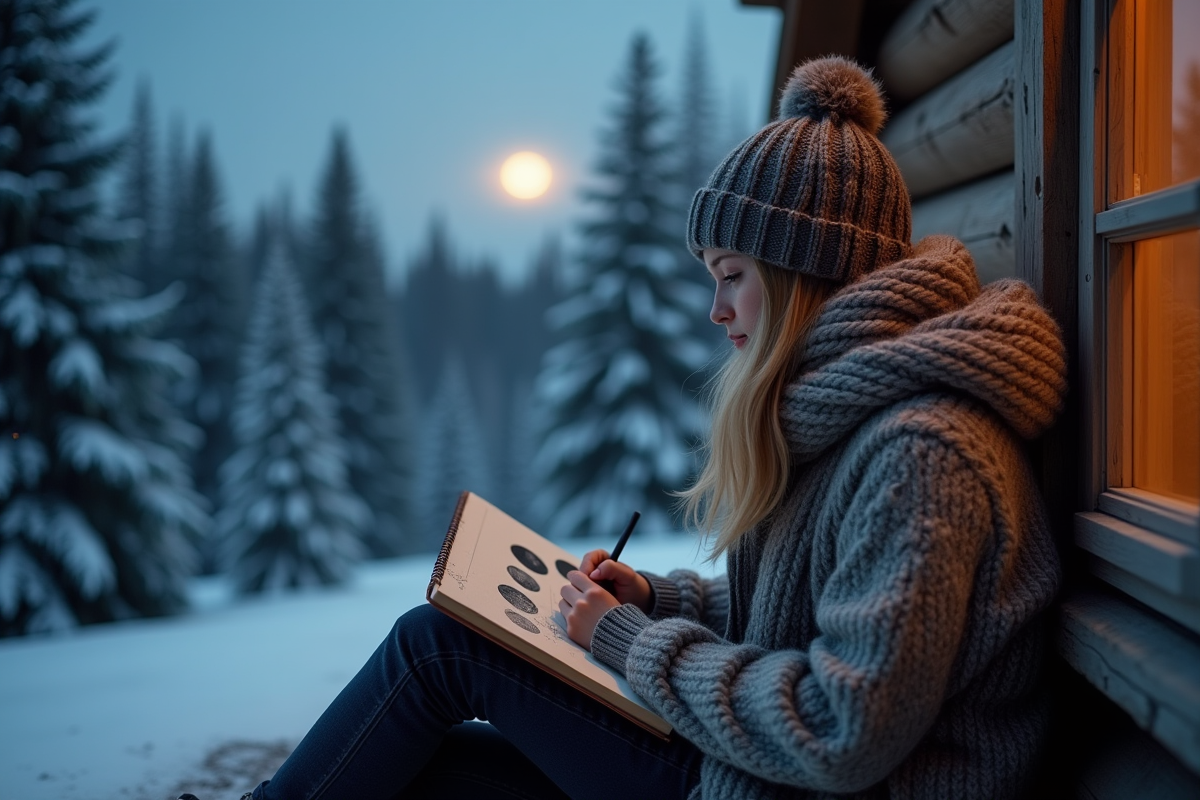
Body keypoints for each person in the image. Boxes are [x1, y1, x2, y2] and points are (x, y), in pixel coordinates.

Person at [179, 55, 1067, 800]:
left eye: (732, 275)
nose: (717, 310)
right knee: (426, 767)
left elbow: (841, 727)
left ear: (807, 272)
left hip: (780, 787)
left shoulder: (921, 454)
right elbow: (798, 617)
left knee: (439, 648)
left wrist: (628, 640)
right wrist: (657, 599)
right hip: (749, 773)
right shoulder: (854, 410)